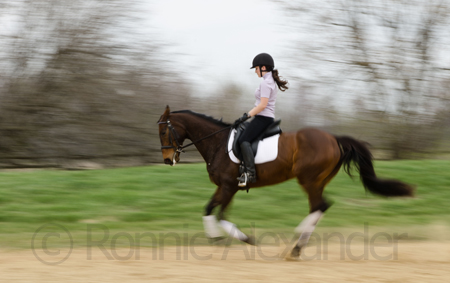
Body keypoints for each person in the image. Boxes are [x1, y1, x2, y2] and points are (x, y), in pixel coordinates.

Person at [233, 53, 288, 187]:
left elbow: (262, 105)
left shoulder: (266, 83)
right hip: (265, 118)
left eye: (256, 68)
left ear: (263, 67)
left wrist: (246, 116)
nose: (256, 71)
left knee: (243, 140)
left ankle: (250, 174)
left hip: (263, 118)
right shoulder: (270, 81)